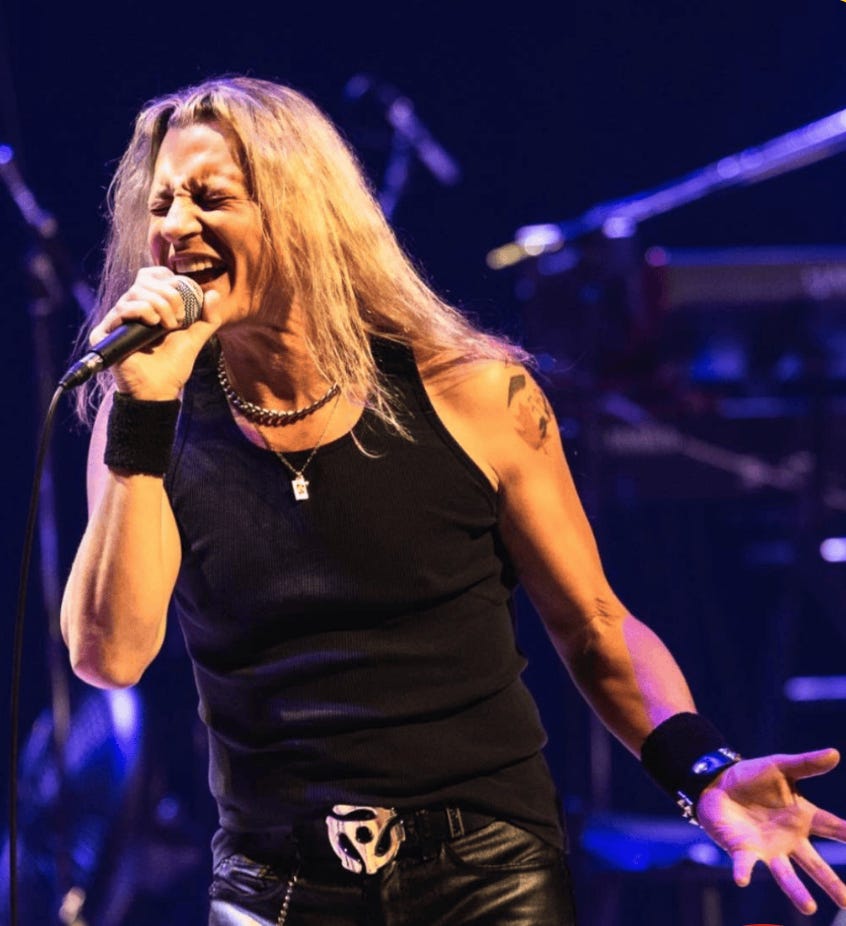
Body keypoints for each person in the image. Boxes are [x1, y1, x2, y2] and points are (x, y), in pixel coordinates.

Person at [60, 75, 846, 926]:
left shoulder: (472, 391)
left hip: (487, 878)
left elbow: (593, 623)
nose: (174, 227)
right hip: (273, 885)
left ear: (301, 213)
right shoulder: (147, 418)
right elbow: (109, 656)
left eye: (210, 198)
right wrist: (142, 411)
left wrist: (703, 768)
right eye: (162, 203)